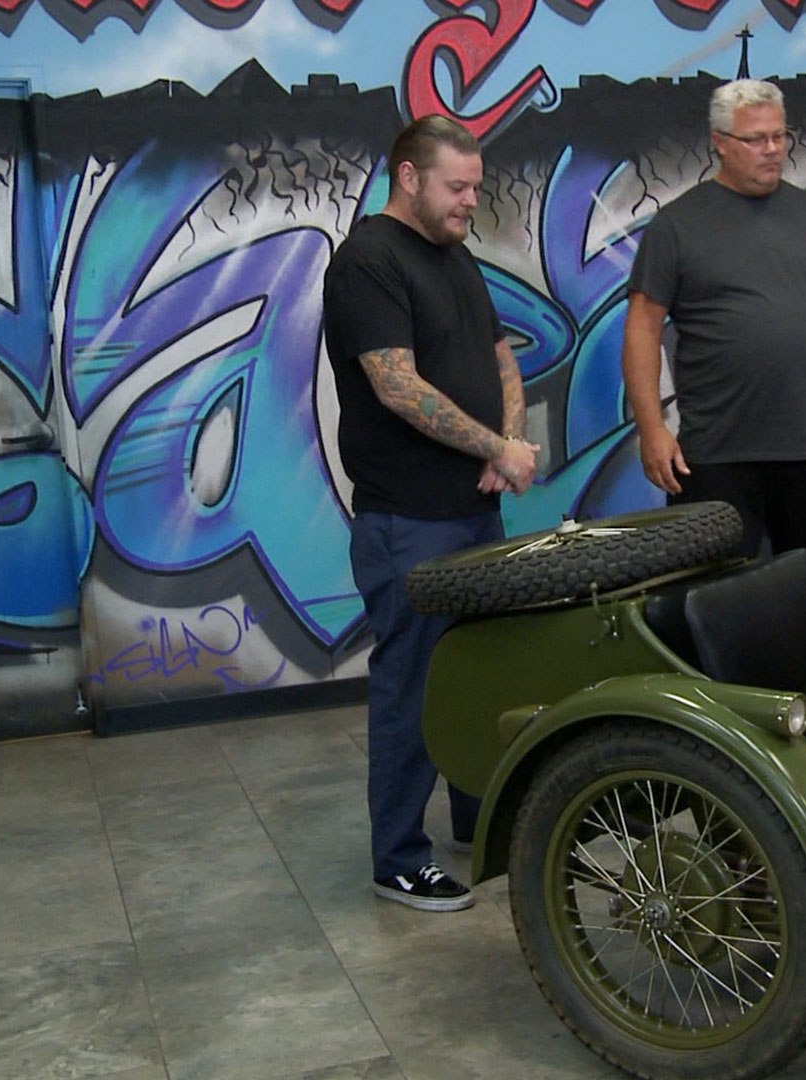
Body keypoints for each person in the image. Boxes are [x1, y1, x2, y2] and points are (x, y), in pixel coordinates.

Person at [322, 115, 538, 912]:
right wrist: (496, 446)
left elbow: (500, 357)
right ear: (408, 177)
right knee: (412, 686)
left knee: (478, 675)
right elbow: (395, 385)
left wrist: (505, 445)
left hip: (474, 510)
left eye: (476, 187)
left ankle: (477, 822)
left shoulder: (456, 256)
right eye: (458, 187)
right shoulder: (368, 263)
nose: (470, 201)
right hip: (407, 521)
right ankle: (399, 859)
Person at [622, 78, 806, 560]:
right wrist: (652, 428)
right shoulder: (677, 225)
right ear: (720, 143)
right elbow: (642, 329)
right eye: (756, 139)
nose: (772, 149)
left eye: (779, 136)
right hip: (715, 456)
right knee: (714, 593)